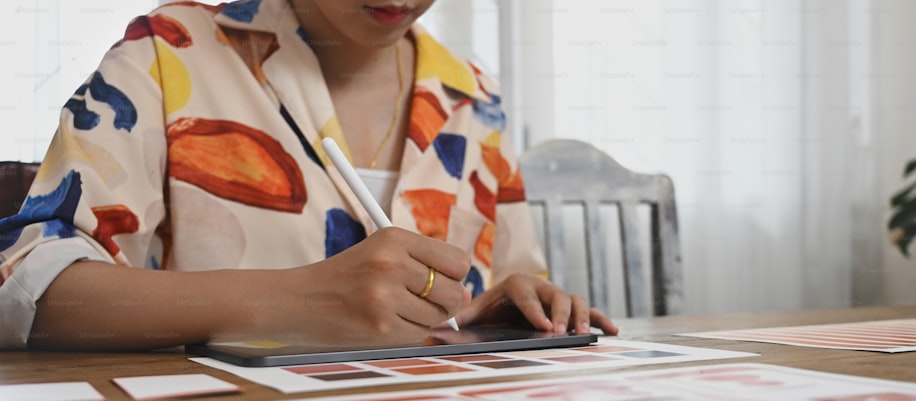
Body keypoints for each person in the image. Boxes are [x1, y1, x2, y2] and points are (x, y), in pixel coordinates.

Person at [0, 0, 618, 351]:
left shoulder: (473, 93)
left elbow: (510, 280)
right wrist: (296, 298)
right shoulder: (170, 54)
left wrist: (509, 304)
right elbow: (26, 290)